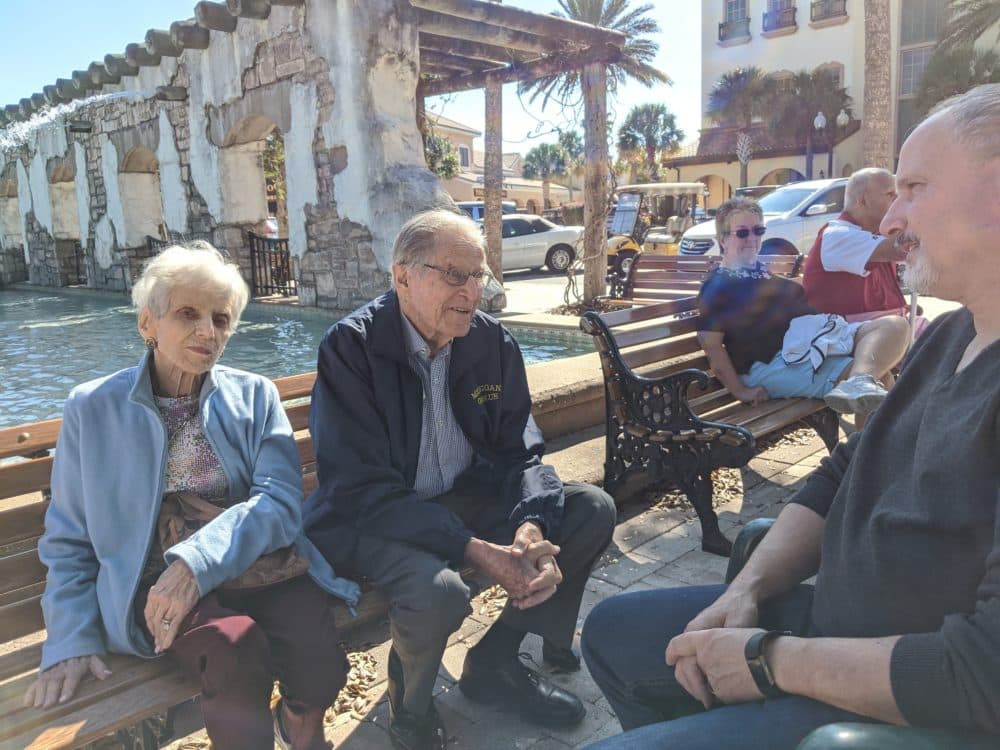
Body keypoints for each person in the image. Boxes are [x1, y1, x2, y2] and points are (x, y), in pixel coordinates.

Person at [579, 84, 1000, 749]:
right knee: (612, 632)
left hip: (892, 703)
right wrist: (748, 590)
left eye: (914, 188)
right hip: (823, 626)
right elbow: (841, 474)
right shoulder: (952, 339)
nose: (891, 220)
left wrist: (766, 661)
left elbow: (982, 674)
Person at [25, 243, 359, 750]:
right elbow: (71, 540)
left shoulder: (254, 395)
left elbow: (280, 502)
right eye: (188, 313)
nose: (208, 331)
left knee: (321, 664)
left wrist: (197, 564)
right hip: (151, 581)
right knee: (233, 648)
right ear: (148, 324)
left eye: (221, 319)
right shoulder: (92, 408)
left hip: (254, 563)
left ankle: (296, 723)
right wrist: (70, 639)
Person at [304, 209, 616, 750]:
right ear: (402, 276)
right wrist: (471, 548)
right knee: (439, 593)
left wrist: (531, 525)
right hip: (370, 518)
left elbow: (521, 448)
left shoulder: (490, 343)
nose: (473, 290)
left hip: (456, 501)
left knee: (589, 509)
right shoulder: (350, 349)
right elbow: (359, 488)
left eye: (479, 275)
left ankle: (493, 664)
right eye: (455, 274)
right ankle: (411, 706)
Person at [694, 196, 908, 418]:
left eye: (758, 231)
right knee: (880, 380)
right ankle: (867, 443)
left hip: (808, 345)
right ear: (722, 239)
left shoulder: (762, 275)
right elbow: (711, 345)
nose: (752, 239)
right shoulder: (718, 286)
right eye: (741, 233)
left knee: (894, 326)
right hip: (768, 364)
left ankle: (859, 385)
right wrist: (740, 392)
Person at [802, 168, 912, 321]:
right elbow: (901, 249)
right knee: (895, 325)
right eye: (890, 194)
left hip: (885, 328)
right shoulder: (836, 235)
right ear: (862, 200)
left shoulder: (877, 235)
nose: (897, 201)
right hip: (843, 336)